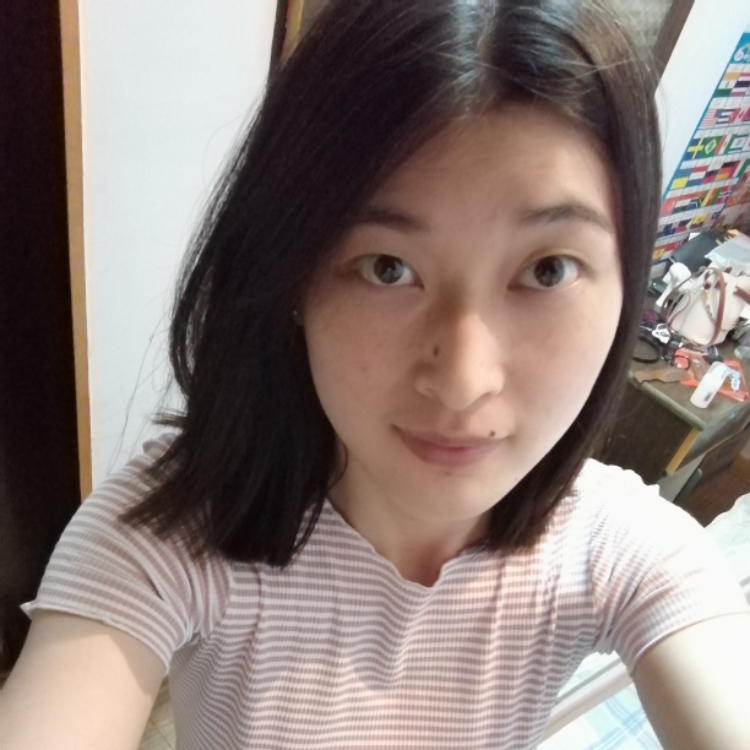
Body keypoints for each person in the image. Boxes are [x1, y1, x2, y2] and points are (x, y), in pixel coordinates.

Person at [2, 0, 749, 748]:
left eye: (547, 270)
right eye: (387, 267)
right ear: (292, 278)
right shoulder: (172, 536)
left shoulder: (618, 549)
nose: (463, 380)